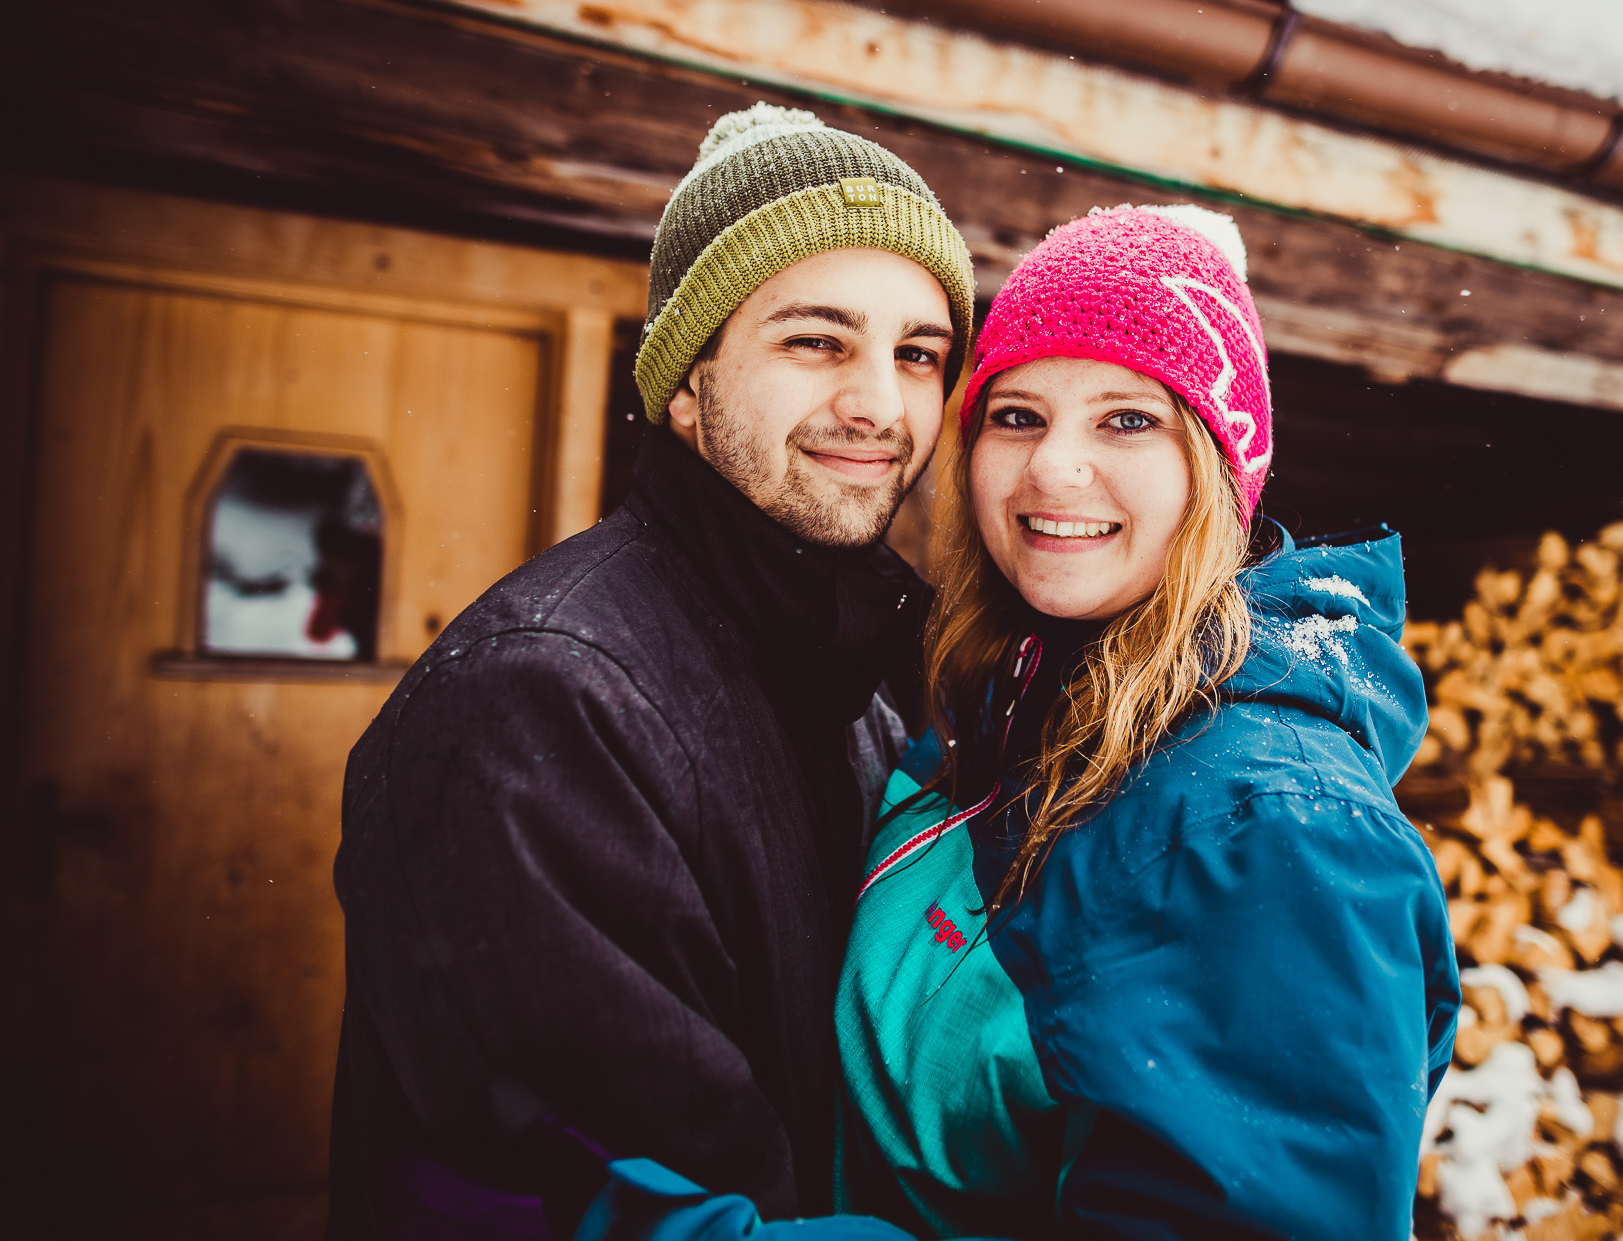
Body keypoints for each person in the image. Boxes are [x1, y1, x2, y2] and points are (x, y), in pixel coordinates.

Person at [576, 204, 1461, 1240]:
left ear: (1221, 462)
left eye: (1127, 418)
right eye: (1017, 415)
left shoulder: (1265, 823)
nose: (1052, 468)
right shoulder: (1003, 721)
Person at [328, 103, 977, 1240]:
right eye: (815, 339)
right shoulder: (537, 700)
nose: (881, 404)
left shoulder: (856, 696)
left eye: (917, 354)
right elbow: (619, 1194)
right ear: (687, 383)